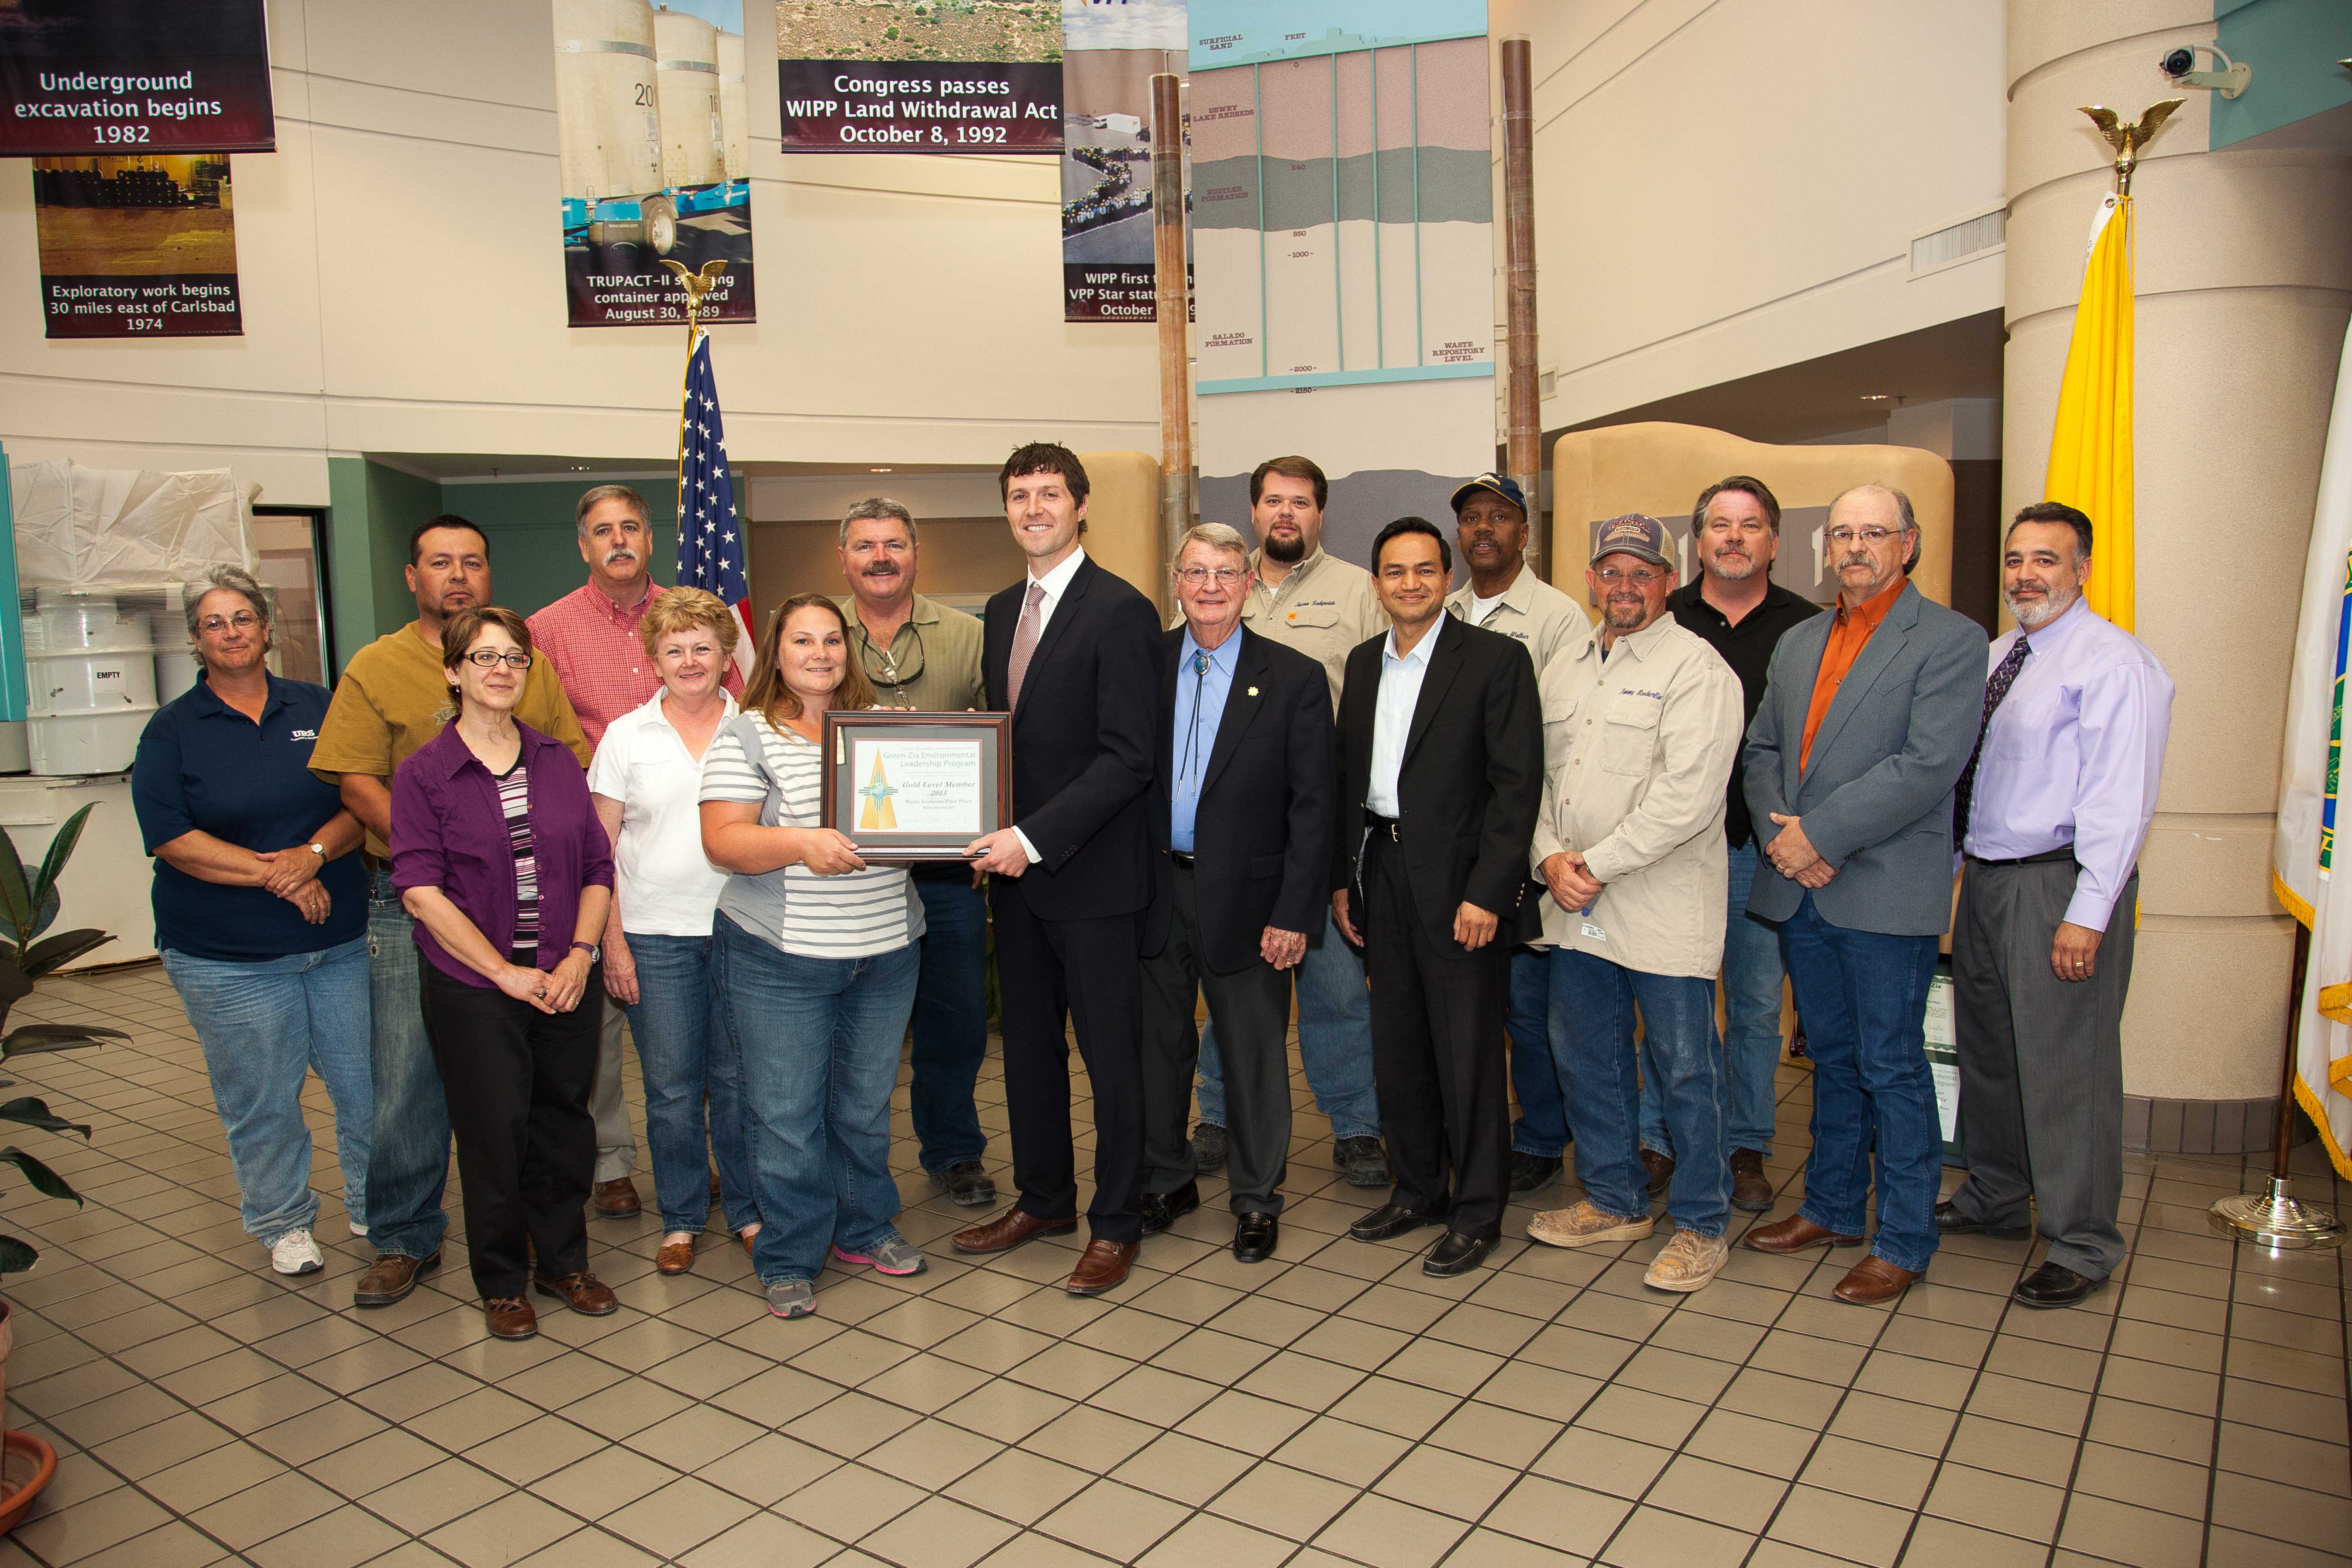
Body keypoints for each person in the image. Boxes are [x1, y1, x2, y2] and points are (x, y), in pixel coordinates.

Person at [310, 516, 590, 1310]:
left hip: (531, 908)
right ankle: (403, 1237)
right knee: (407, 1078)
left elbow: (565, 764)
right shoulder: (375, 665)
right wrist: (437, 846)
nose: (457, 574)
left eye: (473, 561)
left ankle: (548, 1245)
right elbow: (355, 778)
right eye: (440, 562)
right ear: (413, 576)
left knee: (529, 1096)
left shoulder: (527, 665)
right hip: (419, 904)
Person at [1740, 484, 1987, 1306]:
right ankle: (1833, 1208)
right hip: (1802, 887)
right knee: (1833, 1060)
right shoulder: (1802, 639)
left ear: (1907, 545)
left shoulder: (1952, 641)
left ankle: (1905, 1240)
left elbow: (1926, 765)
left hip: (1881, 888)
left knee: (1891, 1066)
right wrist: (1785, 838)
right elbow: (1763, 747)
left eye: (1872, 533)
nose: (1854, 547)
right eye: (1841, 532)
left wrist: (1818, 836)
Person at [1941, 503, 2173, 1309]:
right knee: (1992, 1053)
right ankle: (1997, 1197)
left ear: (2083, 570)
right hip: (1991, 880)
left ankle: (2082, 1238)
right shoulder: (2001, 654)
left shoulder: (2116, 666)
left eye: (2047, 559)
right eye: (2015, 560)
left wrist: (2089, 912)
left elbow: (2122, 800)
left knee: (2066, 1066)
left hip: (2061, 883)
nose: (2026, 575)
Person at [950, 444, 1162, 1298]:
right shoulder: (1003, 608)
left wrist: (1031, 838)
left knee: (1111, 1061)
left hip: (1095, 877)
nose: (1033, 506)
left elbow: (1128, 758)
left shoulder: (1122, 610)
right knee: (1030, 1051)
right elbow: (1010, 738)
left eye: (1049, 493)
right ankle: (1044, 1198)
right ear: (1006, 509)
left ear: (1081, 507)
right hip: (1017, 880)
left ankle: (1116, 1222)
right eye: (1018, 494)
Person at [1520, 516, 1745, 1292]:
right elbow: (1535, 781)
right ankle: (1615, 1199)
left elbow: (1686, 800)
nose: (1624, 586)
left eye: (1641, 573)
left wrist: (1591, 862)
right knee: (1587, 1055)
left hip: (1660, 903)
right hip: (1576, 904)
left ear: (1668, 581)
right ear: (1591, 580)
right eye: (1611, 571)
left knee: (1684, 1065)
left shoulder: (1698, 671)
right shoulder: (1564, 667)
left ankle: (1703, 1221)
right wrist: (1550, 856)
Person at [132, 567, 371, 1277]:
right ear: (196, 639)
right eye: (215, 623)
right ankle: (284, 1222)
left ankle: (375, 1202)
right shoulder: (172, 730)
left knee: (367, 1086)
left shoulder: (320, 705)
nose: (231, 633)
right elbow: (173, 839)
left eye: (244, 618)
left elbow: (362, 799)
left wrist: (314, 853)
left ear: (268, 628)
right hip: (225, 955)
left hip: (339, 943)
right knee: (262, 1097)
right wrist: (282, 874)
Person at [392, 608, 618, 1341]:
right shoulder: (425, 774)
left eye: (514, 658)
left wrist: (581, 955)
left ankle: (562, 1262)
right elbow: (421, 893)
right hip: (474, 987)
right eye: (483, 658)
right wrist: (503, 973)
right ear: (454, 671)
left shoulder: (556, 761)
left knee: (563, 1124)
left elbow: (595, 866)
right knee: (494, 1130)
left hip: (563, 978)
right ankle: (501, 1280)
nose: (501, 670)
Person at [701, 594, 929, 1320]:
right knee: (786, 1114)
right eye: (804, 641)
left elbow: (927, 818)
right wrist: (802, 843)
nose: (822, 653)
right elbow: (724, 841)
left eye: (834, 639)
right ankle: (791, 1253)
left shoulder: (887, 728)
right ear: (777, 651)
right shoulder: (746, 734)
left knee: (862, 1108)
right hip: (781, 959)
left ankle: (864, 1227)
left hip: (886, 952)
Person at [1335, 517, 1543, 1276]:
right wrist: (1341, 879)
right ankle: (1417, 1189)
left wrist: (1491, 891)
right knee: (1399, 1048)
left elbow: (1516, 789)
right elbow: (1347, 781)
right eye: (1396, 572)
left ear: (1446, 578)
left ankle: (1479, 1210)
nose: (1411, 584)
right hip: (1381, 875)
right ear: (1377, 583)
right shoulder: (1362, 665)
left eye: (1426, 570)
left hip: (1461, 889)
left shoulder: (1495, 661)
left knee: (1469, 1055)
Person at [530, 483, 738, 1220]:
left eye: (630, 528)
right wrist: (606, 932)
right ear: (583, 545)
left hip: (733, 915)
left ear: (651, 539)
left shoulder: (697, 621)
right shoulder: (546, 630)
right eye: (601, 530)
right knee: (625, 1056)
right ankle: (621, 1168)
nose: (617, 540)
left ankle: (733, 1189)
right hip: (613, 853)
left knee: (729, 1072)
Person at [1137, 524, 1335, 1263]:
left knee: (1252, 1057)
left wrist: (1295, 913)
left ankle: (1256, 1198)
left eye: (1226, 572)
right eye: (1196, 572)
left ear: (1249, 582)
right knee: (1158, 1049)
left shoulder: (1293, 677)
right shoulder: (1144, 664)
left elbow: (1313, 808)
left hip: (1253, 905)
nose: (1211, 586)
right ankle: (1168, 1177)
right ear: (1176, 580)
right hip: (1156, 893)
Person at [1193, 455, 1389, 1190]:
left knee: (1336, 989)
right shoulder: (1215, 586)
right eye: (1273, 500)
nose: (1286, 514)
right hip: (1231, 835)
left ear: (1319, 514)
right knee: (1231, 983)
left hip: (1322, 824)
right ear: (1253, 512)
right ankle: (1216, 1114)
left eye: (1301, 503)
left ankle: (1357, 1126)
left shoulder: (1355, 592)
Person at [1662, 477, 1821, 1211]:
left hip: (1761, 852)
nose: (1734, 537)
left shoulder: (1807, 630)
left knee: (1756, 1004)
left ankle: (1746, 1144)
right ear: (1699, 540)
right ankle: (1659, 1139)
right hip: (1669, 853)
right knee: (1668, 998)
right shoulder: (1664, 616)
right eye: (1720, 524)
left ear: (1774, 541)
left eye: (1750, 525)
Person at [832, 497, 996, 1210]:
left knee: (954, 1021)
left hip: (946, 875)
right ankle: (836, 1161)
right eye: (865, 545)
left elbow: (1005, 741)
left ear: (915, 552)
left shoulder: (969, 635)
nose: (880, 557)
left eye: (894, 543)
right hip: (846, 874)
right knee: (849, 1025)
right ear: (844, 558)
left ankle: (954, 1150)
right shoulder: (813, 632)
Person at [587, 588, 756, 1276]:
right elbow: (597, 853)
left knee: (741, 1082)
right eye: (674, 649)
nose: (690, 660)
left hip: (749, 932)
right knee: (673, 1087)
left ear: (725, 656)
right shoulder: (626, 736)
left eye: (703, 647)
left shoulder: (756, 727)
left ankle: (748, 1209)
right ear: (654, 658)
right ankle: (683, 1216)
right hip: (656, 936)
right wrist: (611, 940)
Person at [1437, 471, 1593, 1200]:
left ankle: (1538, 1134)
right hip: (1452, 845)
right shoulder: (1442, 609)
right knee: (1470, 1006)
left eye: (1499, 517)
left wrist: (1536, 843)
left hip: (1526, 843)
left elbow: (1554, 747)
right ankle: (1470, 1133)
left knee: (1529, 1008)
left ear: (1525, 533)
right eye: (1471, 518)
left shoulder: (1558, 619)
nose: (1484, 530)